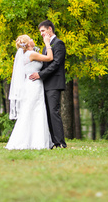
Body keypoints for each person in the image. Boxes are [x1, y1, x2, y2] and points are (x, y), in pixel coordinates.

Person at [6, 32, 54, 150]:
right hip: (34, 85)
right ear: (28, 44)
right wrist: (47, 44)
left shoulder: (26, 54)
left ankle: (30, 141)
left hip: (30, 84)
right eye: (31, 39)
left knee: (30, 111)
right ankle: (36, 142)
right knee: (35, 111)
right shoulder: (31, 54)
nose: (33, 39)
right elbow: (49, 58)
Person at [29, 20, 67, 149]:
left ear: (50, 29)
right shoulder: (46, 46)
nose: (41, 34)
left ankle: (61, 142)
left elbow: (56, 64)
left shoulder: (59, 44)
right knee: (47, 113)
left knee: (53, 112)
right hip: (45, 84)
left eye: (43, 31)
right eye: (40, 32)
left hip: (54, 83)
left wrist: (40, 74)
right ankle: (52, 142)